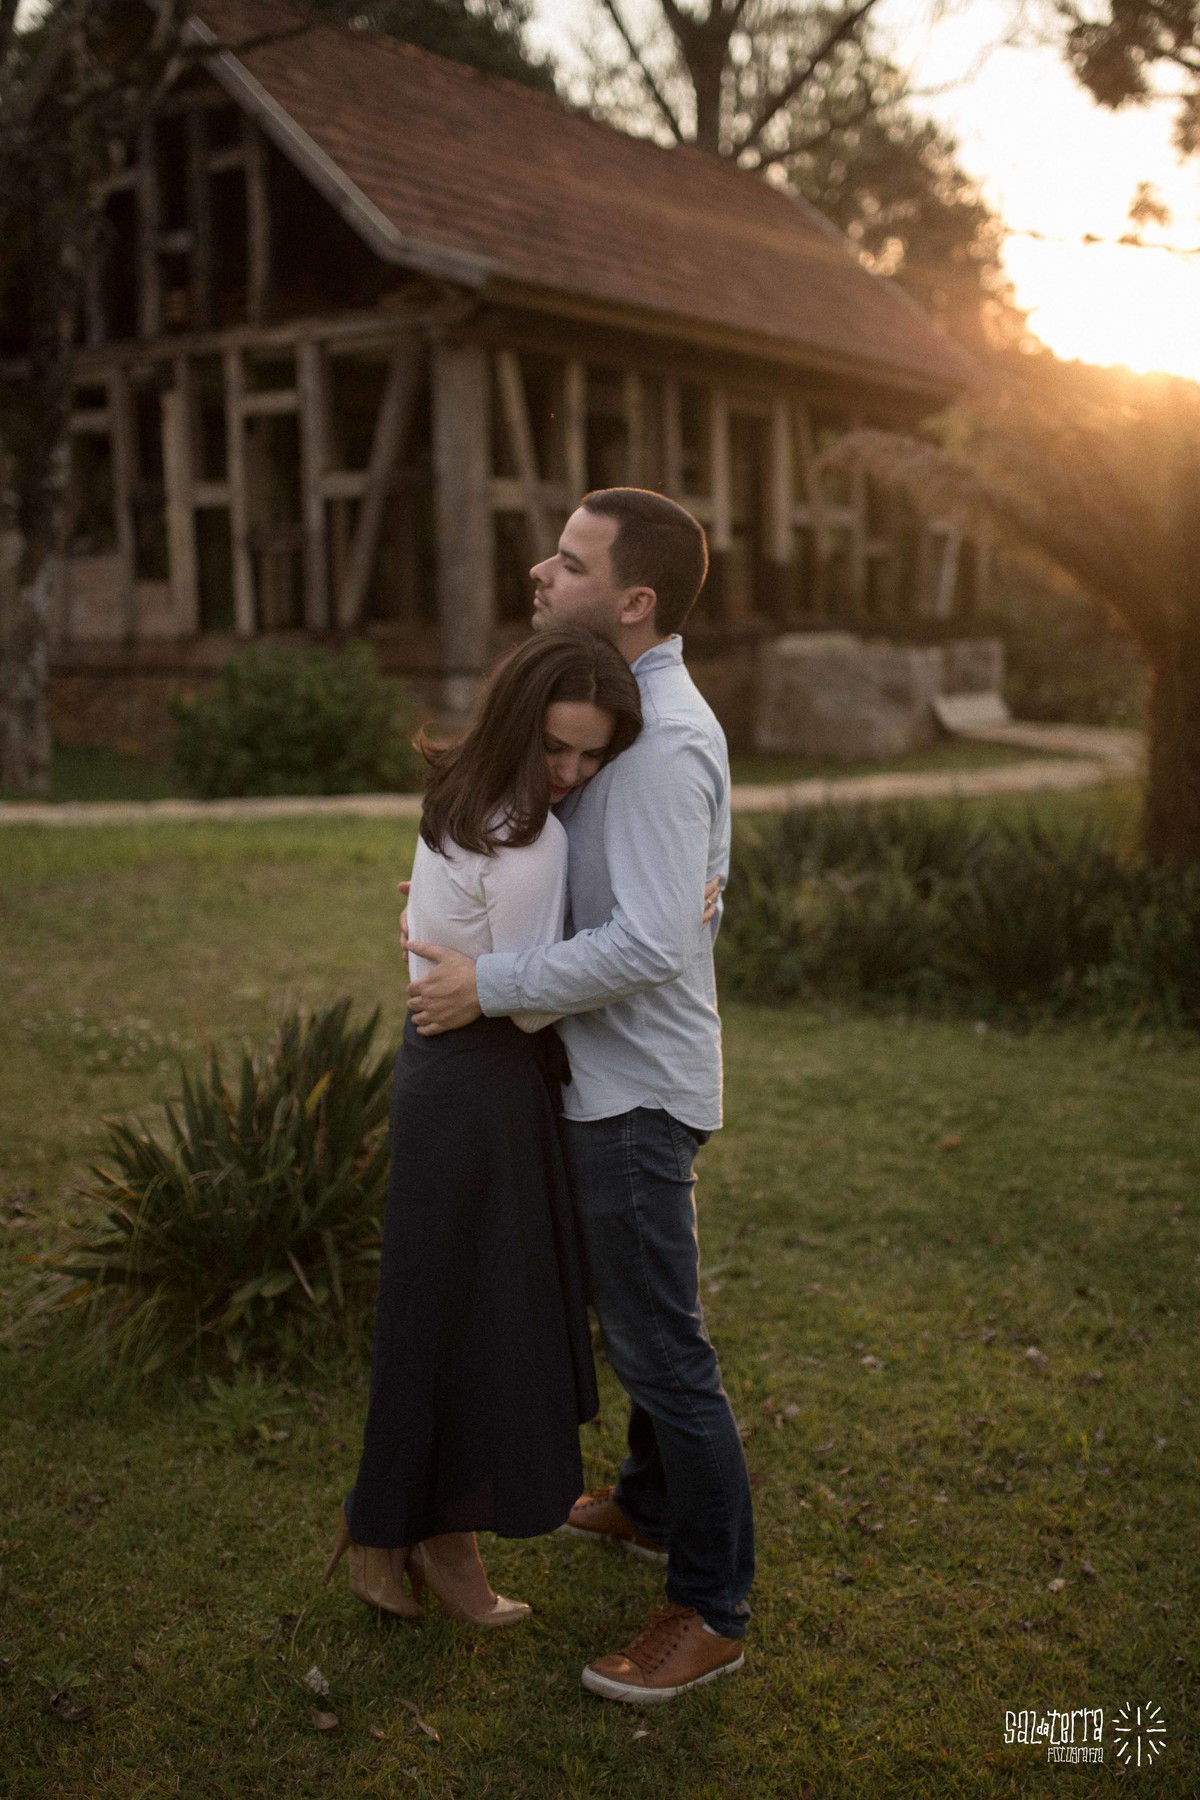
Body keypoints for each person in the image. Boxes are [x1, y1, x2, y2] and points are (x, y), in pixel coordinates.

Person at [407, 488, 754, 1703]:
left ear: (634, 598)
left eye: (569, 560)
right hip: (612, 1076)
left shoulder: (659, 740)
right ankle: (650, 1505)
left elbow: (655, 938)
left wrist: (488, 984)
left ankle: (711, 1609)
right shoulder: (633, 713)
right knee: (647, 1329)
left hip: (633, 1092)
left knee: (665, 1354)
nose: (542, 573)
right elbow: (692, 881)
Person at [326, 626, 642, 1626]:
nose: (572, 772)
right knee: (474, 1318)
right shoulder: (533, 837)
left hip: (439, 1076)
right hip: (488, 1087)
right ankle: (422, 1544)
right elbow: (536, 1002)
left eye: (592, 755)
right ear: (521, 720)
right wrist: (657, 933)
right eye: (559, 747)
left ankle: (399, 1542)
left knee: (436, 1310)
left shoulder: (459, 795)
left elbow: (465, 956)